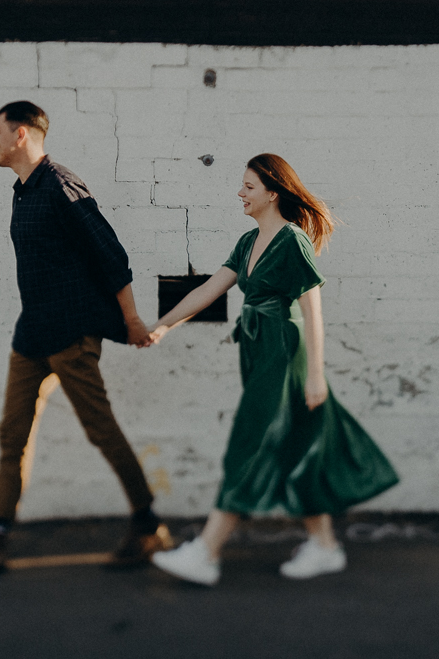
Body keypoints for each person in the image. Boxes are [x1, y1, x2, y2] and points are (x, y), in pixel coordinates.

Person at [0, 100, 174, 573]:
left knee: (100, 430)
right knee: (11, 436)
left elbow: (112, 256)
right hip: (32, 334)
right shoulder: (23, 191)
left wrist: (130, 320)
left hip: (70, 334)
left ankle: (150, 526)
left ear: (21, 134)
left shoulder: (61, 186)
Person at [146, 153, 398, 586]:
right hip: (261, 350)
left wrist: (315, 373)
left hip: (286, 352)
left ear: (272, 193)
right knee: (295, 444)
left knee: (250, 442)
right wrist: (164, 325)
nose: (239, 193)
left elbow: (313, 308)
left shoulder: (292, 240)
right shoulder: (248, 242)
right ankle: (324, 546)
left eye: (248, 186)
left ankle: (206, 552)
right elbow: (210, 288)